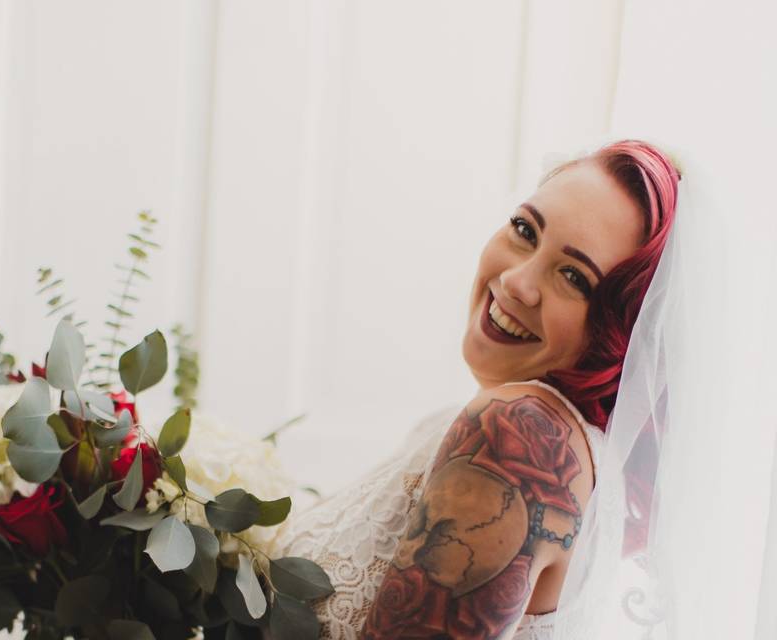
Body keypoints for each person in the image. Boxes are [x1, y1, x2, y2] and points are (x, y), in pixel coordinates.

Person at [269, 139, 681, 639]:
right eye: (526, 230)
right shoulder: (484, 424)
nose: (516, 283)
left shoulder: (520, 434)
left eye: (574, 276)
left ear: (623, 332)